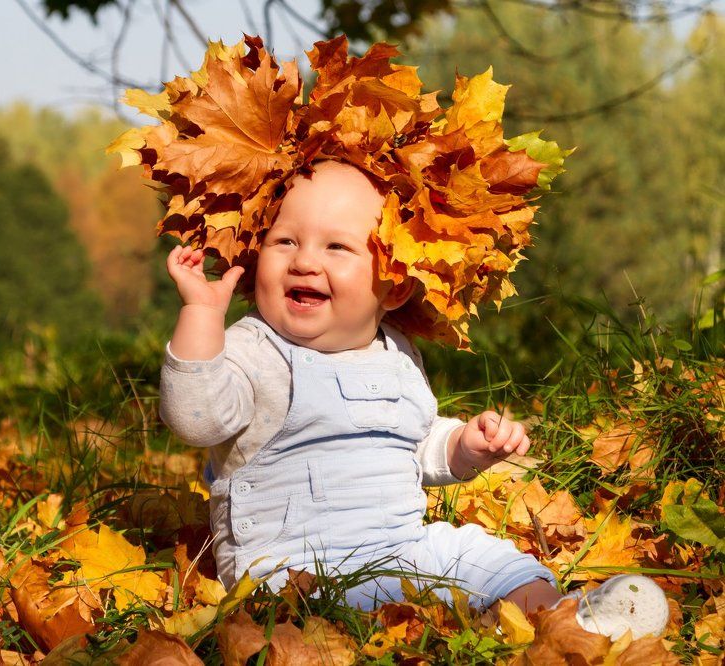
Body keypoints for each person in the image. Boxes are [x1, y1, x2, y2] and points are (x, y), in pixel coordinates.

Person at [158, 160, 669, 639]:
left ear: (395, 287)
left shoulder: (395, 354)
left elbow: (412, 436)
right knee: (369, 599)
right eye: (285, 240)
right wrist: (201, 318)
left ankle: (562, 620)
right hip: (292, 570)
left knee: (484, 556)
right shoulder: (254, 349)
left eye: (337, 247)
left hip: (399, 544)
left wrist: (462, 448)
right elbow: (196, 420)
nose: (305, 261)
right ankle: (489, 624)